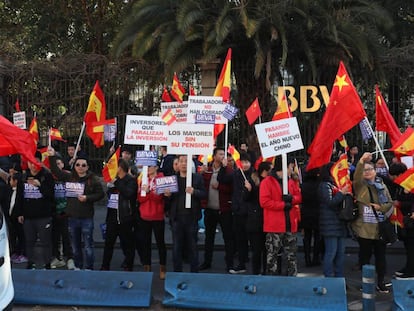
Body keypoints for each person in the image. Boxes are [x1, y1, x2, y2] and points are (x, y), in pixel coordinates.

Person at [48, 146, 104, 270]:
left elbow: (100, 194)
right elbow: (56, 172)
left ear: (87, 167)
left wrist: (87, 198)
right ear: (75, 166)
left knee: (88, 246)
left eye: (83, 165)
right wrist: (51, 156)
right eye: (78, 165)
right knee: (75, 246)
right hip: (72, 218)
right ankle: (78, 266)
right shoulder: (69, 177)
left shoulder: (93, 179)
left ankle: (89, 267)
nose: (80, 167)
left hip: (86, 218)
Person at [351, 152, 393, 293]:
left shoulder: (382, 186)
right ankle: (366, 283)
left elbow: (390, 203)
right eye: (365, 170)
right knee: (365, 259)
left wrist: (381, 207)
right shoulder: (360, 186)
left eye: (370, 169)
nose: (367, 172)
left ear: (375, 171)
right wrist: (362, 161)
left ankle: (380, 282)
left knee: (381, 258)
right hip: (365, 230)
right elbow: (356, 176)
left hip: (380, 229)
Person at [259, 155, 302, 276]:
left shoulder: (291, 181)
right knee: (272, 256)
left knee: (291, 256)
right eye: (291, 167)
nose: (292, 169)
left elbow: (299, 197)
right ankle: (271, 281)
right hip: (275, 226)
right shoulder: (267, 182)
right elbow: (264, 202)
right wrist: (283, 205)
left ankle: (292, 279)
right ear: (285, 166)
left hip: (290, 225)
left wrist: (292, 199)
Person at [165, 154, 206, 273]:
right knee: (177, 246)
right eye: (181, 161)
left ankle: (194, 272)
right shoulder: (172, 179)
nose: (183, 164)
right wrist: (167, 195)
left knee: (192, 246)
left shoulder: (197, 178)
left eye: (186, 161)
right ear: (177, 164)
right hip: (177, 218)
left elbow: (204, 194)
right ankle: (177, 272)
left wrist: (195, 192)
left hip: (191, 217)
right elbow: (167, 201)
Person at [199, 148, 234, 272]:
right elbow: (200, 185)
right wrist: (201, 173)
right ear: (214, 156)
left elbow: (232, 190)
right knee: (209, 238)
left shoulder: (229, 171)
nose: (222, 156)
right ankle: (207, 261)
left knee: (228, 237)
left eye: (224, 154)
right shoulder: (207, 170)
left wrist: (220, 187)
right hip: (209, 209)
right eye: (220, 154)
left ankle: (229, 263)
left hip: (224, 210)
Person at [100, 159, 137, 271]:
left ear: (120, 167)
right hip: (112, 217)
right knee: (108, 244)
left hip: (125, 218)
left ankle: (128, 264)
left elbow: (128, 193)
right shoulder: (114, 181)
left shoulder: (130, 180)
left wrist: (116, 182)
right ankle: (105, 266)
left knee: (127, 244)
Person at [21, 152, 55, 269]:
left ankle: (47, 264)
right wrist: (19, 213)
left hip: (43, 216)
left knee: (46, 241)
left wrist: (39, 185)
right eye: (30, 163)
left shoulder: (46, 176)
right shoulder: (24, 176)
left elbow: (51, 195)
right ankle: (31, 263)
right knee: (29, 241)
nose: (33, 166)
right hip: (28, 216)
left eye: (35, 162)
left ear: (39, 162)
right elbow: (20, 196)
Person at [318, 163, 350, 277]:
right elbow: (330, 202)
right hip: (330, 224)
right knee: (331, 252)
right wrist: (341, 193)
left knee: (341, 253)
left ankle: (339, 276)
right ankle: (328, 276)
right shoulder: (324, 185)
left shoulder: (335, 184)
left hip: (339, 223)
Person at [138, 164, 167, 279]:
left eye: (150, 166)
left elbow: (159, 198)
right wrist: (149, 194)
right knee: (145, 243)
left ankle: (162, 267)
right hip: (144, 215)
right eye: (146, 166)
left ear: (156, 167)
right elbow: (140, 198)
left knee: (160, 244)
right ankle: (147, 266)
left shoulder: (161, 179)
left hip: (157, 216)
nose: (148, 169)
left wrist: (149, 192)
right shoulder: (142, 179)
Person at [387, 162, 414, 280]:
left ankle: (411, 270)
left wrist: (401, 203)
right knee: (408, 246)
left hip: (411, 218)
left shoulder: (410, 183)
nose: (394, 179)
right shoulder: (400, 185)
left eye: (395, 176)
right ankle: (408, 267)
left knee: (412, 246)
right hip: (404, 219)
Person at [229, 152, 253, 274]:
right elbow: (223, 179)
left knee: (253, 241)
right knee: (240, 239)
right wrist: (224, 167)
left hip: (250, 213)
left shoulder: (254, 175)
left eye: (246, 162)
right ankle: (241, 263)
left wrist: (250, 190)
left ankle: (256, 266)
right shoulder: (236, 174)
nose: (244, 164)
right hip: (238, 211)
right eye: (242, 162)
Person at [247, 161, 271, 275]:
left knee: (267, 249)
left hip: (267, 219)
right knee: (257, 250)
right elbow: (246, 198)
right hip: (256, 220)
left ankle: (266, 271)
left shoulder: (271, 181)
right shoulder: (253, 182)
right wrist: (249, 190)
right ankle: (256, 272)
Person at [50, 157, 75, 269]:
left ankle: (69, 257)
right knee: (55, 236)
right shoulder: (49, 177)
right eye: (55, 164)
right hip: (54, 211)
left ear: (63, 164)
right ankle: (57, 258)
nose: (58, 165)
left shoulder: (68, 176)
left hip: (66, 211)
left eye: (59, 163)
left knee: (66, 236)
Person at [300, 167, 322, 267]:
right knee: (317, 237)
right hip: (317, 213)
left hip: (306, 213)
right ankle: (316, 258)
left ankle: (307, 258)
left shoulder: (303, 185)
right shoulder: (319, 185)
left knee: (307, 237)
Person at [7, 172, 28, 264]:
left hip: (19, 217)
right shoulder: (11, 190)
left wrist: (21, 214)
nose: (10, 181)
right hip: (12, 217)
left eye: (11, 179)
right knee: (15, 235)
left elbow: (21, 204)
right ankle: (16, 252)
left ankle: (23, 254)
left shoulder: (22, 192)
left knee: (21, 236)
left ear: (16, 181)